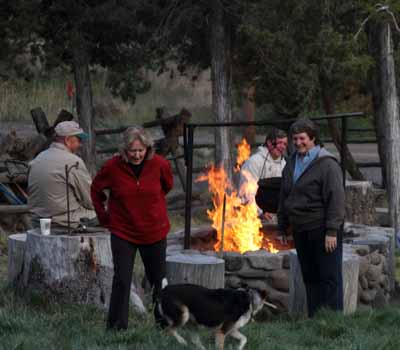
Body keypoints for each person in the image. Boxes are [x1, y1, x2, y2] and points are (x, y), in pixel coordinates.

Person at [91, 125, 173, 331]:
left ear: (147, 148)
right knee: (122, 280)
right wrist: (104, 216)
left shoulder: (160, 165)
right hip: (123, 231)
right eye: (132, 151)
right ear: (124, 151)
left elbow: (167, 186)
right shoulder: (112, 167)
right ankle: (117, 327)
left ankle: (163, 325)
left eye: (140, 150)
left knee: (158, 280)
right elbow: (96, 189)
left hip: (154, 230)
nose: (137, 155)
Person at [277, 119, 345, 317]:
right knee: (310, 276)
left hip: (322, 229)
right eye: (295, 138)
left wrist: (332, 231)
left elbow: (336, 199)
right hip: (300, 229)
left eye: (302, 138)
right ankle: (315, 319)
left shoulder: (327, 164)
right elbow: (284, 196)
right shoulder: (290, 163)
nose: (298, 142)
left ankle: (333, 322)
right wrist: (282, 227)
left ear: (313, 138)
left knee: (329, 277)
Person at [28, 120, 96, 229]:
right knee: (109, 215)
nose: (80, 144)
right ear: (67, 140)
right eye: (78, 139)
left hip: (37, 220)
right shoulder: (73, 161)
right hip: (64, 221)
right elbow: (91, 200)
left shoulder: (38, 158)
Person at [239, 128, 288, 221]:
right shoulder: (254, 162)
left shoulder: (284, 164)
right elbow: (247, 193)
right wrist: (261, 212)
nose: (283, 146)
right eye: (280, 142)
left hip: (275, 218)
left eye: (285, 144)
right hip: (251, 218)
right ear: (269, 143)